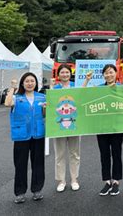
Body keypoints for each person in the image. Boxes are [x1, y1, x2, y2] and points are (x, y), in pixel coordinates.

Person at [83, 64, 123, 196]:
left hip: (117, 127)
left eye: (111, 72)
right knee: (104, 154)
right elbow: (81, 94)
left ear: (116, 73)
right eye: (106, 73)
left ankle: (116, 181)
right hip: (102, 127)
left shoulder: (120, 88)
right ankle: (107, 182)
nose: (109, 75)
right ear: (103, 75)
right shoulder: (99, 89)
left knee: (116, 153)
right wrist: (87, 80)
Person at [4, 73, 46, 204]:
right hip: (21, 135)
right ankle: (20, 192)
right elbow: (7, 103)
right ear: (22, 83)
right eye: (27, 81)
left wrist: (45, 109)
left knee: (38, 163)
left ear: (36, 83)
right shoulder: (17, 97)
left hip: (38, 134)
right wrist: (12, 88)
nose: (29, 83)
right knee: (20, 164)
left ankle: (37, 190)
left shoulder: (42, 97)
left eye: (32, 81)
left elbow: (45, 115)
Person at [51, 64, 80, 193]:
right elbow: (51, 103)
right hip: (59, 126)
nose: (65, 75)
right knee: (60, 154)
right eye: (62, 72)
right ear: (58, 75)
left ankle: (74, 179)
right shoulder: (55, 87)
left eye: (67, 72)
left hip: (74, 125)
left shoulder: (75, 86)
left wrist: (87, 81)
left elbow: (83, 96)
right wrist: (51, 87)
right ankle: (61, 181)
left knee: (75, 154)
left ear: (70, 74)